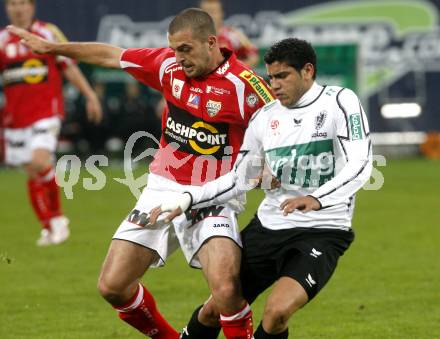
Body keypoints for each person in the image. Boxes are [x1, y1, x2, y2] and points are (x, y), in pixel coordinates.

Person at [7, 7, 274, 338]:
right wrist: (53, 48)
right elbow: (110, 55)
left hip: (213, 196)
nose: (178, 58)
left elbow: (284, 123)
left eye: (186, 49)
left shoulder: (244, 85)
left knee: (225, 291)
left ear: (211, 42)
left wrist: (268, 165)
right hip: (162, 190)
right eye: (174, 49)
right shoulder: (167, 66)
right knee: (112, 285)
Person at [151, 37, 373, 339]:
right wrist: (188, 198)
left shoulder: (340, 102)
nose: (274, 85)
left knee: (277, 312)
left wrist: (316, 198)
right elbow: (238, 179)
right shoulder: (264, 118)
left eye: (283, 76)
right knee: (216, 308)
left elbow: (361, 163)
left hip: (323, 230)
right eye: (271, 77)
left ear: (308, 71)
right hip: (268, 227)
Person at [1, 0, 102, 246]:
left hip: (47, 111)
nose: (19, 8)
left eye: (23, 3)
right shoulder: (3, 39)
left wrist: (89, 95)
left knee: (39, 161)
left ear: (32, 6)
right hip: (15, 118)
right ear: (7, 8)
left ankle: (57, 221)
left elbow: (68, 66)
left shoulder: (48, 32)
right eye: (13, 3)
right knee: (32, 171)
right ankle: (47, 226)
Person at [200, 0, 259, 68]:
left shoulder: (232, 35)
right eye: (206, 12)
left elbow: (253, 56)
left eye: (213, 12)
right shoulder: (194, 37)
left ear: (221, 13)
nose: (209, 15)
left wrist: (236, 70)